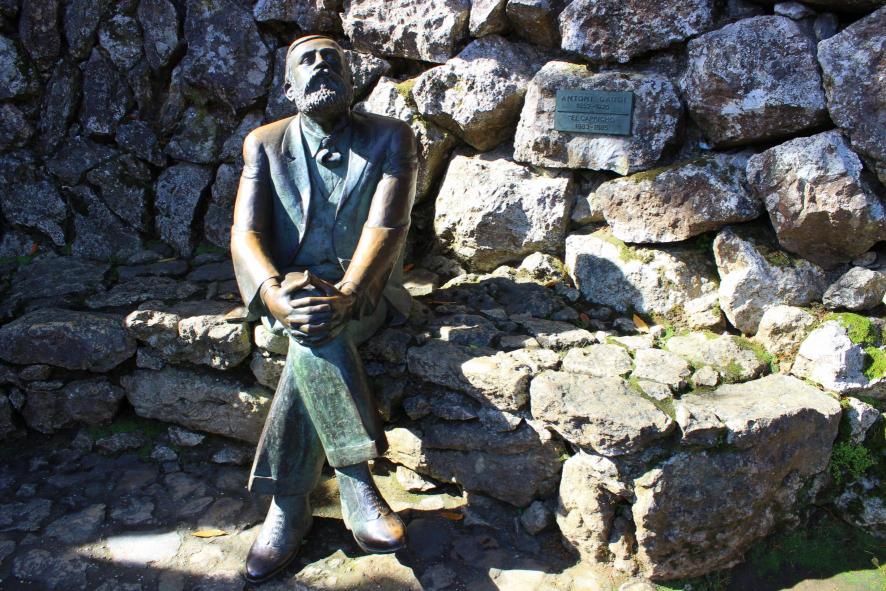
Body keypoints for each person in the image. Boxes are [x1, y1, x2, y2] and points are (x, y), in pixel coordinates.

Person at [230, 34, 417, 583]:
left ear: (351, 78)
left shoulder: (391, 138)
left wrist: (350, 293)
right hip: (287, 290)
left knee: (318, 328)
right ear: (289, 87)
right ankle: (356, 484)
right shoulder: (264, 144)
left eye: (331, 59)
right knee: (311, 324)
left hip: (365, 289)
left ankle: (288, 506)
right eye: (306, 61)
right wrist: (271, 293)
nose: (320, 66)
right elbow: (245, 233)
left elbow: (388, 226)